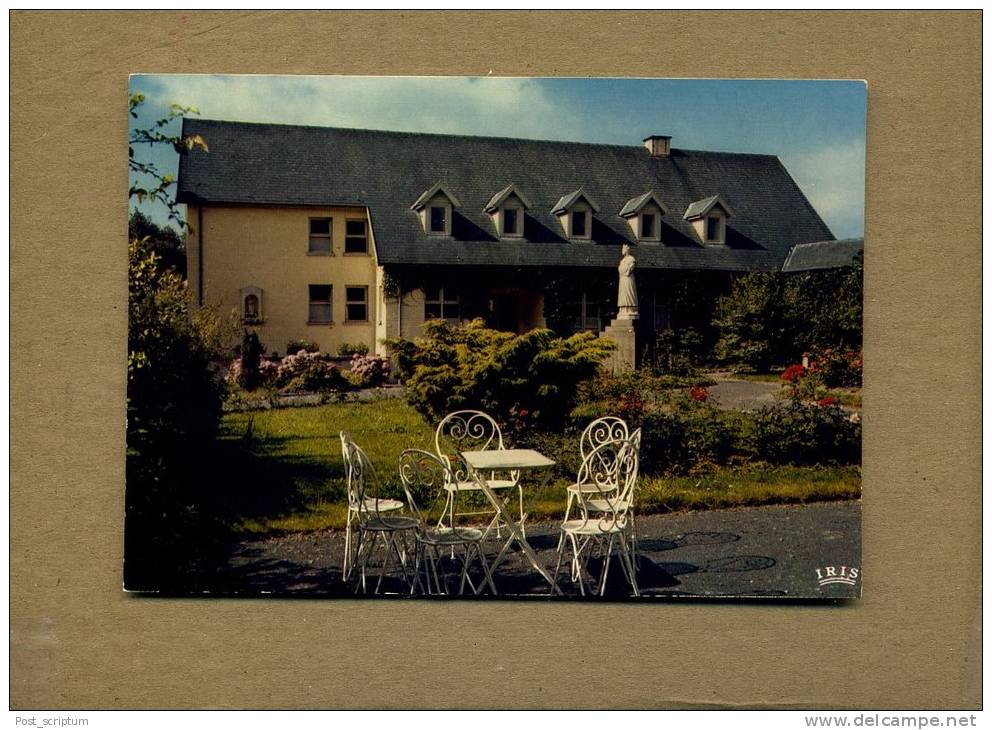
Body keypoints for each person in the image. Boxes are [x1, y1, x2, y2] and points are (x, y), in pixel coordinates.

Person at [617, 244, 638, 319]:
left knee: (630, 293)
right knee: (623, 294)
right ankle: (623, 309)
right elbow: (620, 269)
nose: (622, 250)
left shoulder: (631, 259)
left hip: (628, 279)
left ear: (627, 250)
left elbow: (630, 269)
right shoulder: (622, 260)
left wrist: (625, 270)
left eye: (624, 249)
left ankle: (630, 309)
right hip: (622, 279)